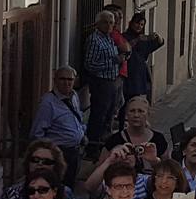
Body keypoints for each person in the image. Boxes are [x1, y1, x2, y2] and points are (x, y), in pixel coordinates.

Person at [29, 67, 85, 184]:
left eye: (70, 79)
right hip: (58, 152)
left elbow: (77, 118)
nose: (66, 83)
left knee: (69, 187)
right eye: (62, 79)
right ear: (55, 80)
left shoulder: (74, 96)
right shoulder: (47, 103)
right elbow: (37, 133)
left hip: (74, 152)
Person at [83, 10, 124, 146]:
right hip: (101, 83)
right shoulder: (94, 40)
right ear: (98, 23)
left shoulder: (109, 38)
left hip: (112, 81)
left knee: (109, 114)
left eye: (111, 23)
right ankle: (93, 145)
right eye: (105, 22)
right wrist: (114, 61)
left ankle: (103, 143)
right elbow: (90, 64)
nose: (109, 25)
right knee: (99, 115)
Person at [122, 13, 165, 102]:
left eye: (142, 24)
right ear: (131, 23)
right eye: (137, 23)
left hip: (140, 75)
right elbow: (125, 47)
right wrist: (137, 40)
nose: (139, 26)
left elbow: (159, 43)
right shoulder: (125, 36)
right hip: (128, 74)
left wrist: (157, 37)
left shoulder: (144, 39)